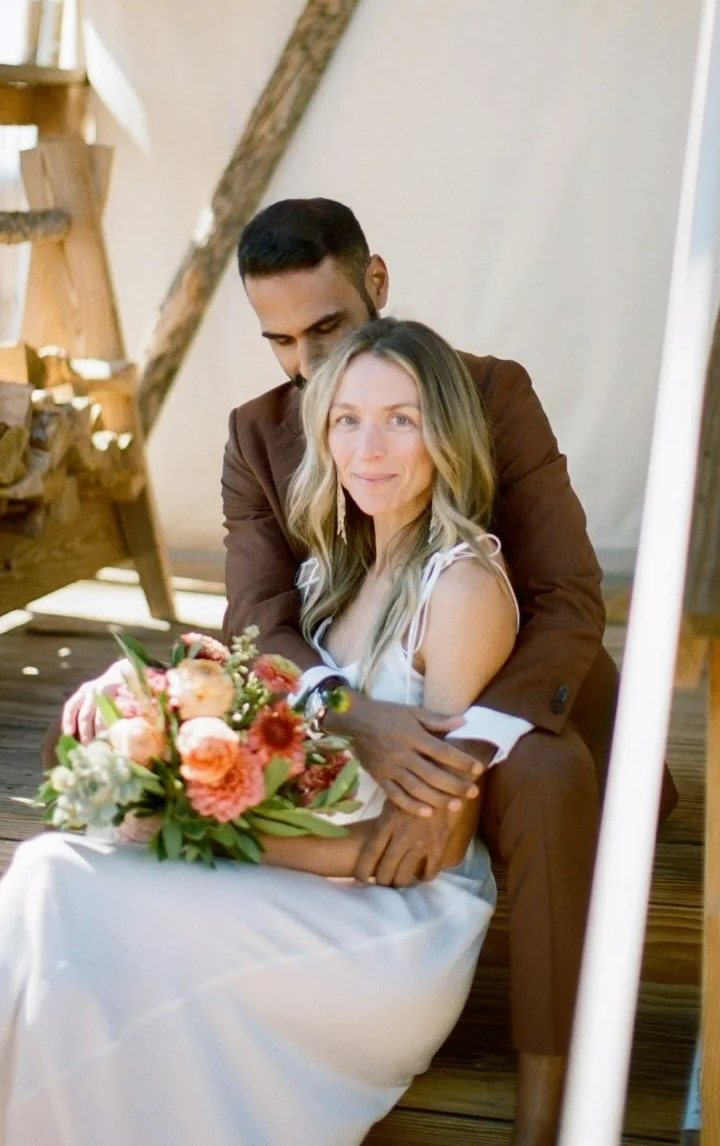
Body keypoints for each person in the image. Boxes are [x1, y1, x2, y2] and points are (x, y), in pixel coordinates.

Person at [56, 198, 678, 1146]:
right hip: (362, 694)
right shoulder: (257, 434)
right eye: (280, 341)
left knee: (552, 777)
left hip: (508, 680)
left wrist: (464, 754)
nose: (308, 363)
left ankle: (551, 1101)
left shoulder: (491, 392)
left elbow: (567, 595)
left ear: (375, 282)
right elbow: (259, 616)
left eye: (327, 328)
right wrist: (349, 712)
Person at [0, 318, 517, 1146]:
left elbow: (425, 846)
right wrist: (148, 718)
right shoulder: (332, 572)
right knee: (47, 874)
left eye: (401, 418)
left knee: (65, 882)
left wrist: (210, 835)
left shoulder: (459, 589)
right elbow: (268, 716)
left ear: (446, 433)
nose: (368, 447)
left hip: (391, 922)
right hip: (314, 867)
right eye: (347, 419)